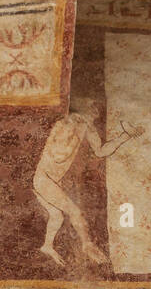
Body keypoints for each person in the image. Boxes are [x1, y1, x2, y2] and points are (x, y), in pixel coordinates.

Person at [33, 98, 140, 266]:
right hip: (44, 179)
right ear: (84, 110)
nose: (96, 115)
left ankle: (47, 246)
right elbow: (59, 156)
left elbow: (100, 151)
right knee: (75, 212)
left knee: (57, 216)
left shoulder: (85, 126)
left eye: (96, 112)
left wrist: (124, 137)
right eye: (93, 110)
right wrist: (77, 132)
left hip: (53, 181)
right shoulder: (66, 124)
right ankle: (87, 244)